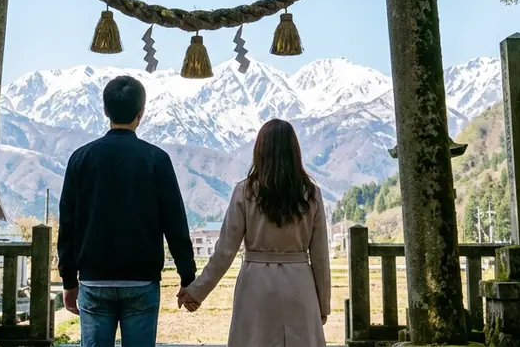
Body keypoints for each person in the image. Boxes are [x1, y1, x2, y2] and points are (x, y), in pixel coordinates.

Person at [57, 75, 196, 347]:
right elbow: (175, 223)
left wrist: (68, 280)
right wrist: (187, 276)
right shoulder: (156, 159)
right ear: (140, 113)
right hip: (141, 280)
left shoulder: (81, 158)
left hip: (94, 279)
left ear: (105, 111)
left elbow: (68, 225)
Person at [177, 118, 331, 347]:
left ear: (259, 151)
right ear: (294, 151)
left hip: (256, 287)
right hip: (301, 287)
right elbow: (320, 256)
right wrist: (323, 304)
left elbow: (224, 252)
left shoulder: (245, 191)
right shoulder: (310, 193)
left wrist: (196, 291)